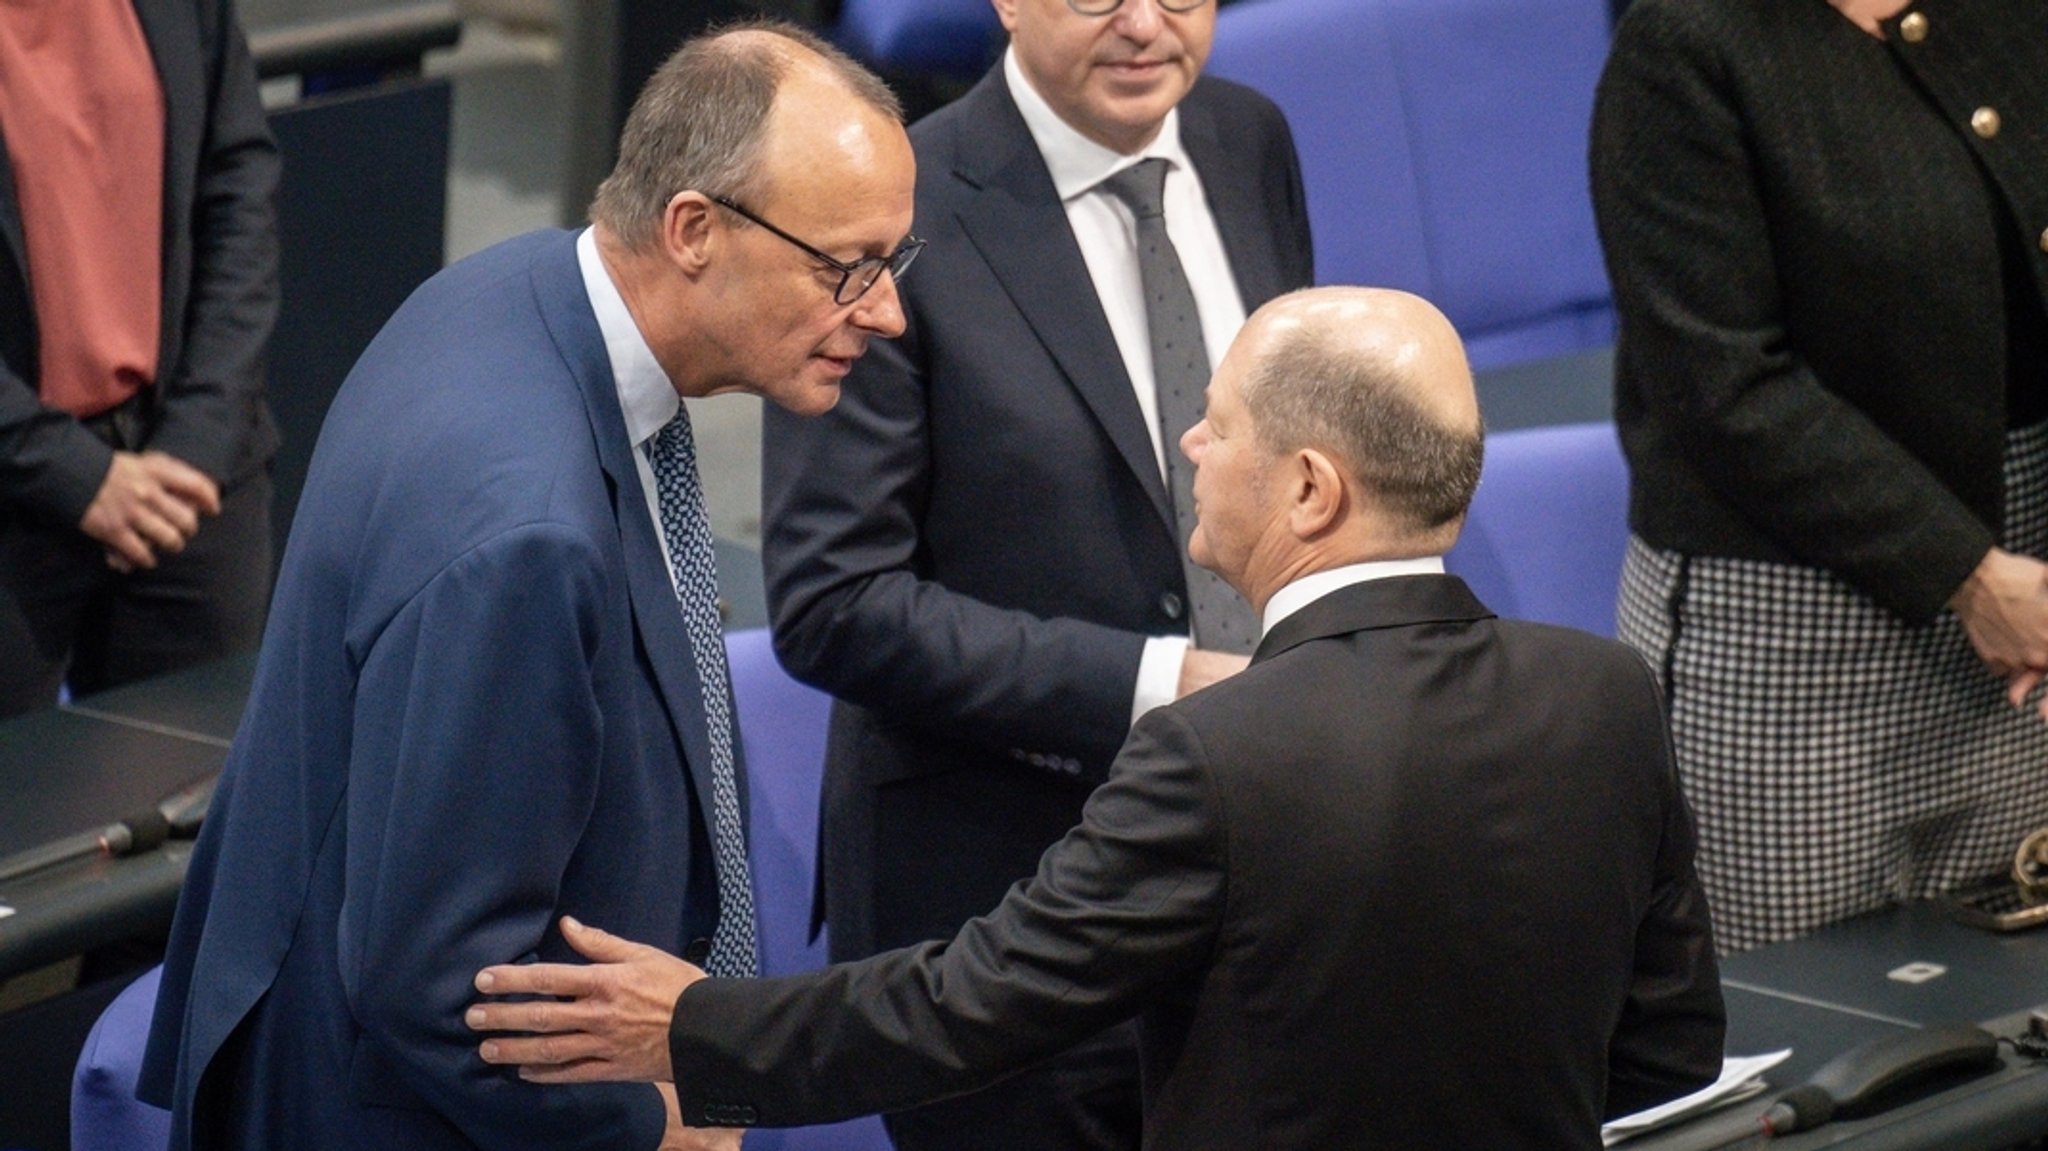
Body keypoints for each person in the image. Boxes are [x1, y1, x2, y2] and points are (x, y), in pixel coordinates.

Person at [468, 287, 1728, 1151]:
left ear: (1307, 486)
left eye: (1219, 422)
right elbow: (1667, 1047)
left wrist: (692, 1026)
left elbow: (965, 1004)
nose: (1188, 438)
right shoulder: (1604, 693)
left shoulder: (1217, 755)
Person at [136, 23, 918, 1151]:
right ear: (693, 229)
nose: (884, 309)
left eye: (895, 260)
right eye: (847, 266)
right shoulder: (524, 534)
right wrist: (652, 1121)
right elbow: (436, 981)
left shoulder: (519, 290)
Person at [758, 0, 1310, 1142]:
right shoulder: (892, 200)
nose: (1146, 24)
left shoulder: (1246, 138)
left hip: (1248, 864)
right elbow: (832, 601)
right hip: (999, 896)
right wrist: (1162, 684)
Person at [1591, 0, 2048, 952]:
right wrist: (1968, 571)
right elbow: (1720, 380)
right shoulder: (1685, 43)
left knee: (2011, 1031)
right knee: (1812, 1044)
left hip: (2026, 613)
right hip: (1789, 634)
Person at [0, 0, 278, 718]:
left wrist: (200, 436)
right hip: (16, 492)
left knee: (200, 803)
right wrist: (75, 472)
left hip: (189, 482)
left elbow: (238, 179)